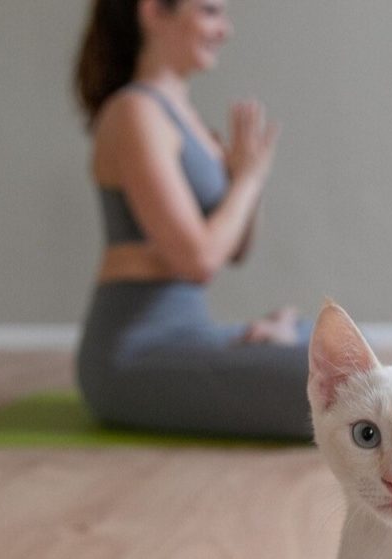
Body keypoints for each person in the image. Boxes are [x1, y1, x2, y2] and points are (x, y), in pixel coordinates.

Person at [73, 0, 311, 438]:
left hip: (196, 335)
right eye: (210, 11)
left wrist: (244, 178)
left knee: (341, 348)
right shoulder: (134, 112)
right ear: (153, 12)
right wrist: (249, 180)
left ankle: (260, 341)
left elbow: (235, 249)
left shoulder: (188, 119)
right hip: (135, 351)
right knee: (319, 381)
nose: (225, 29)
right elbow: (197, 261)